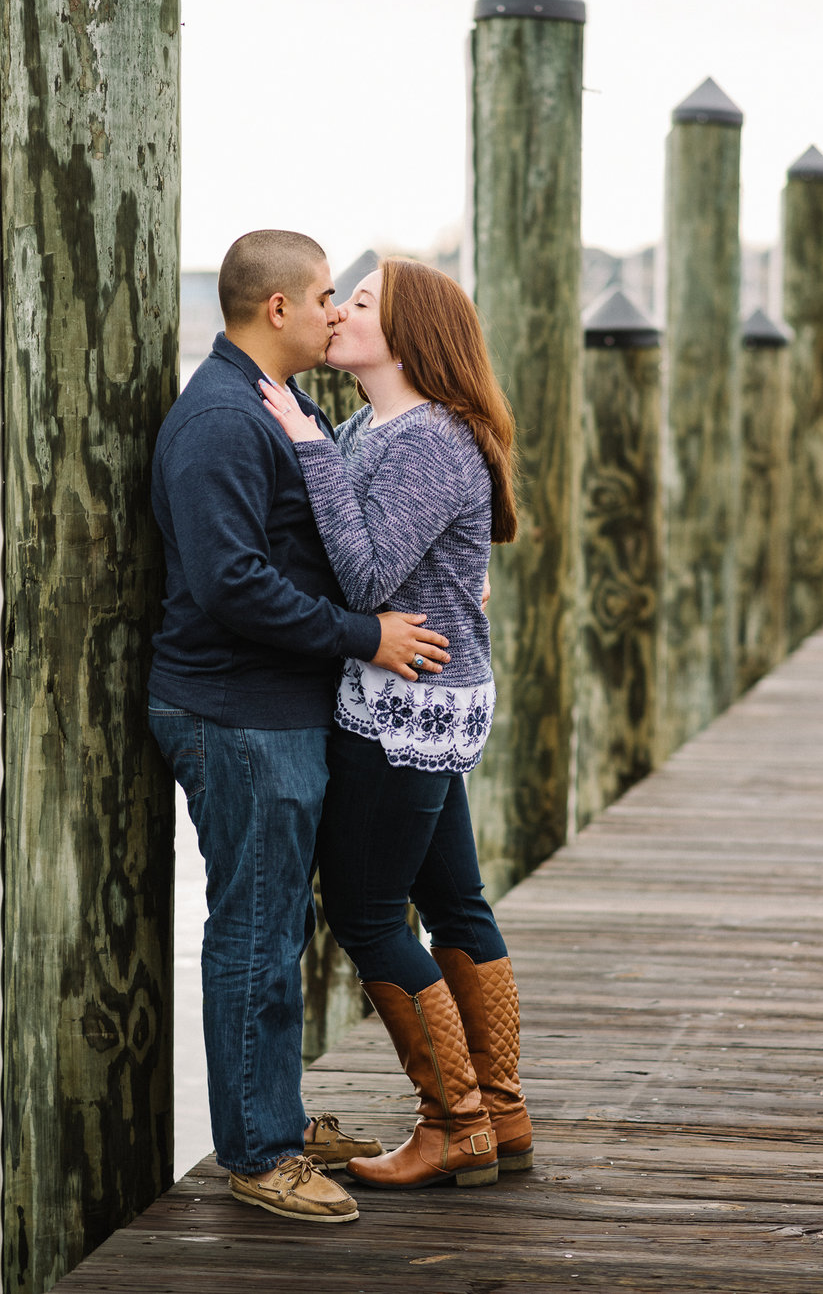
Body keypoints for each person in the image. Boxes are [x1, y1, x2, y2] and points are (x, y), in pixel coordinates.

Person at [148, 230, 451, 1223]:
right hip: (233, 711)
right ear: (275, 308)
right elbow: (233, 584)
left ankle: (274, 1112)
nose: (336, 310)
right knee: (254, 930)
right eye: (325, 295)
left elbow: (329, 527)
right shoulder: (221, 420)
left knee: (282, 923)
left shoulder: (281, 403)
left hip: (278, 707)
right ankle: (258, 1151)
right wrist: (365, 635)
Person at [260, 256, 532, 1192]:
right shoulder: (381, 423)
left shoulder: (426, 441)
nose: (337, 313)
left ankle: (453, 1121)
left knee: (368, 913)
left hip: (403, 704)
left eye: (360, 303)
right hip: (420, 699)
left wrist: (303, 443)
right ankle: (500, 1110)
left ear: (407, 336)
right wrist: (321, 442)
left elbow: (368, 576)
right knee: (456, 901)